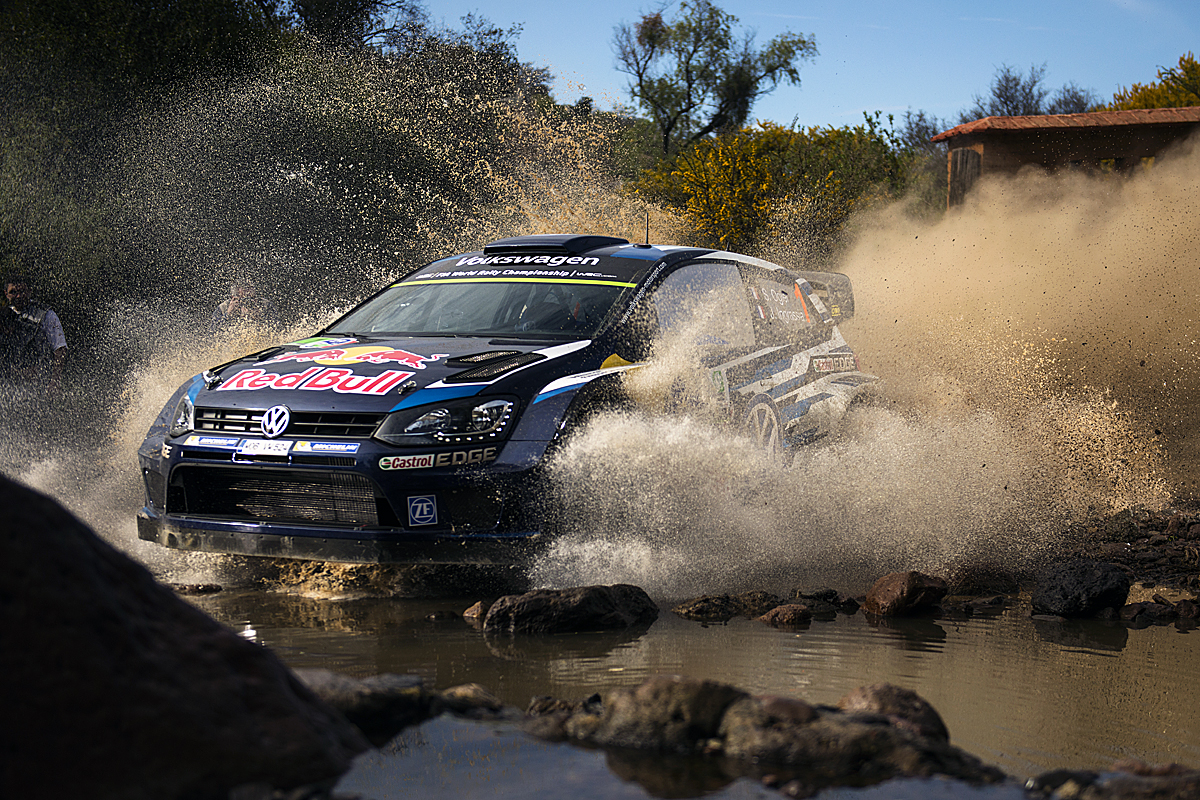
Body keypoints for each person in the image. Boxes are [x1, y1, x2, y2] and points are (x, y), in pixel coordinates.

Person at [1, 273, 66, 397]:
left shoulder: (46, 315)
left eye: (22, 291)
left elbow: (60, 348)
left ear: (29, 291)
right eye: (13, 292)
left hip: (39, 383)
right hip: (9, 384)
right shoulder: (3, 316)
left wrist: (55, 381)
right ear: (6, 294)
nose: (18, 296)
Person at [210, 279, 280, 333]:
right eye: (242, 299)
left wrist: (259, 317)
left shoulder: (265, 305)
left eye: (250, 298)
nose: (247, 302)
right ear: (233, 297)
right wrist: (228, 314)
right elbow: (213, 333)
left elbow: (278, 330)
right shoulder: (224, 307)